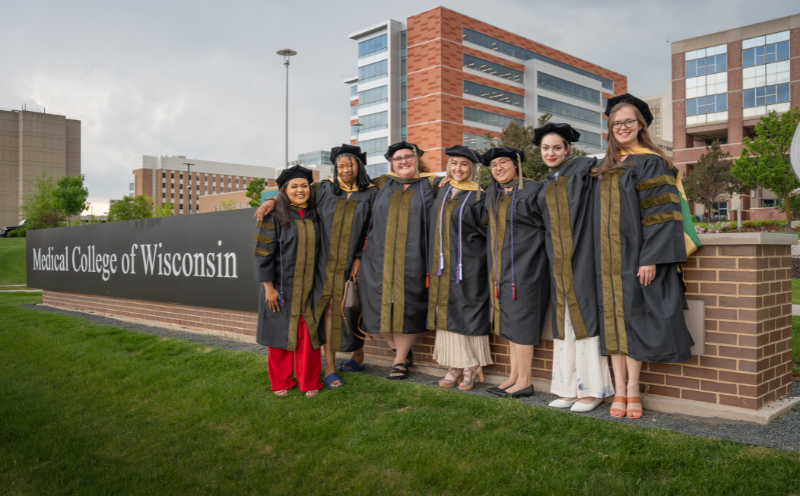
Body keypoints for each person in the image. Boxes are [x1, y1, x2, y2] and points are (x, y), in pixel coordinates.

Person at [592, 94, 694, 419]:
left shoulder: (651, 161)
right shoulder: (605, 167)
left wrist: (649, 257)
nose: (622, 127)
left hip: (635, 258)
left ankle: (632, 389)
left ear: (641, 125)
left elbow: (662, 213)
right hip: (606, 261)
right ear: (610, 127)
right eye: (616, 123)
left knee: (634, 319)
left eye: (629, 122)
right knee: (614, 323)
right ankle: (617, 389)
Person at [255, 145, 378, 389]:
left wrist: (360, 256)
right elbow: (294, 191)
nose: (344, 170)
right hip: (323, 262)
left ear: (360, 165)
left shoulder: (373, 193)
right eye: (340, 166)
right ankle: (330, 369)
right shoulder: (325, 188)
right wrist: (271, 199)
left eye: (350, 164)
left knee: (353, 308)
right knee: (327, 311)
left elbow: (374, 228)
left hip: (353, 263)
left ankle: (358, 356)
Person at [534, 123, 614, 413]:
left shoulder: (582, 169)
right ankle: (568, 388)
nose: (551, 152)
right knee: (565, 322)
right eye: (545, 148)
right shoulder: (548, 181)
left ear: (568, 148)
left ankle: (595, 390)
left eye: (557, 147)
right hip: (558, 262)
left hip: (582, 259)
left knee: (584, 320)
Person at [358, 141, 443, 380]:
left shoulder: (433, 184)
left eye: (408, 157)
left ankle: (399, 361)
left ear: (417, 160)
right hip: (377, 258)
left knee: (407, 307)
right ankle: (400, 351)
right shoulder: (381, 184)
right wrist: (272, 200)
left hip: (414, 257)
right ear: (391, 163)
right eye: (398, 158)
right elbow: (344, 189)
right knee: (375, 305)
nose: (403, 161)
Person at [478, 146, 550, 398]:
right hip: (501, 269)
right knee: (509, 322)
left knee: (521, 323)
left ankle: (525, 381)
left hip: (528, 267)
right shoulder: (494, 194)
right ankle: (513, 375)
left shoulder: (535, 190)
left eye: (503, 162)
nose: (498, 168)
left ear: (516, 164)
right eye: (493, 165)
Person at [253, 165, 323, 398]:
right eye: (294, 186)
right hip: (281, 287)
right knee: (279, 335)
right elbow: (262, 252)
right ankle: (281, 381)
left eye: (305, 185)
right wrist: (269, 288)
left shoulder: (316, 213)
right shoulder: (273, 216)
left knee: (308, 336)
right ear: (285, 190)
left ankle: (308, 381)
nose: (300, 190)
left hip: (310, 286)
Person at [428, 145, 492, 390]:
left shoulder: (480, 195)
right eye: (454, 164)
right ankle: (453, 364)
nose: (458, 169)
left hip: (470, 264)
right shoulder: (442, 190)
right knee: (447, 310)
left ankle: (471, 365)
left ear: (473, 168)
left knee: (469, 310)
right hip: (443, 265)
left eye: (464, 164)